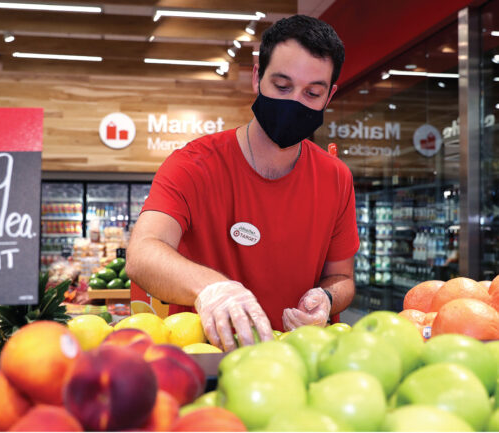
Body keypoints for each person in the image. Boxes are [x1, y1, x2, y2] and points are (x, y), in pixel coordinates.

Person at [126, 15, 359, 352]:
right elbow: (142, 254)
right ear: (256, 77)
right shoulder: (193, 165)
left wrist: (326, 297)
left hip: (297, 361)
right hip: (206, 360)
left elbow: (343, 279)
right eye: (282, 86)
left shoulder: (335, 177)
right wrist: (212, 288)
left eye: (312, 92)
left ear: (329, 96)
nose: (294, 101)